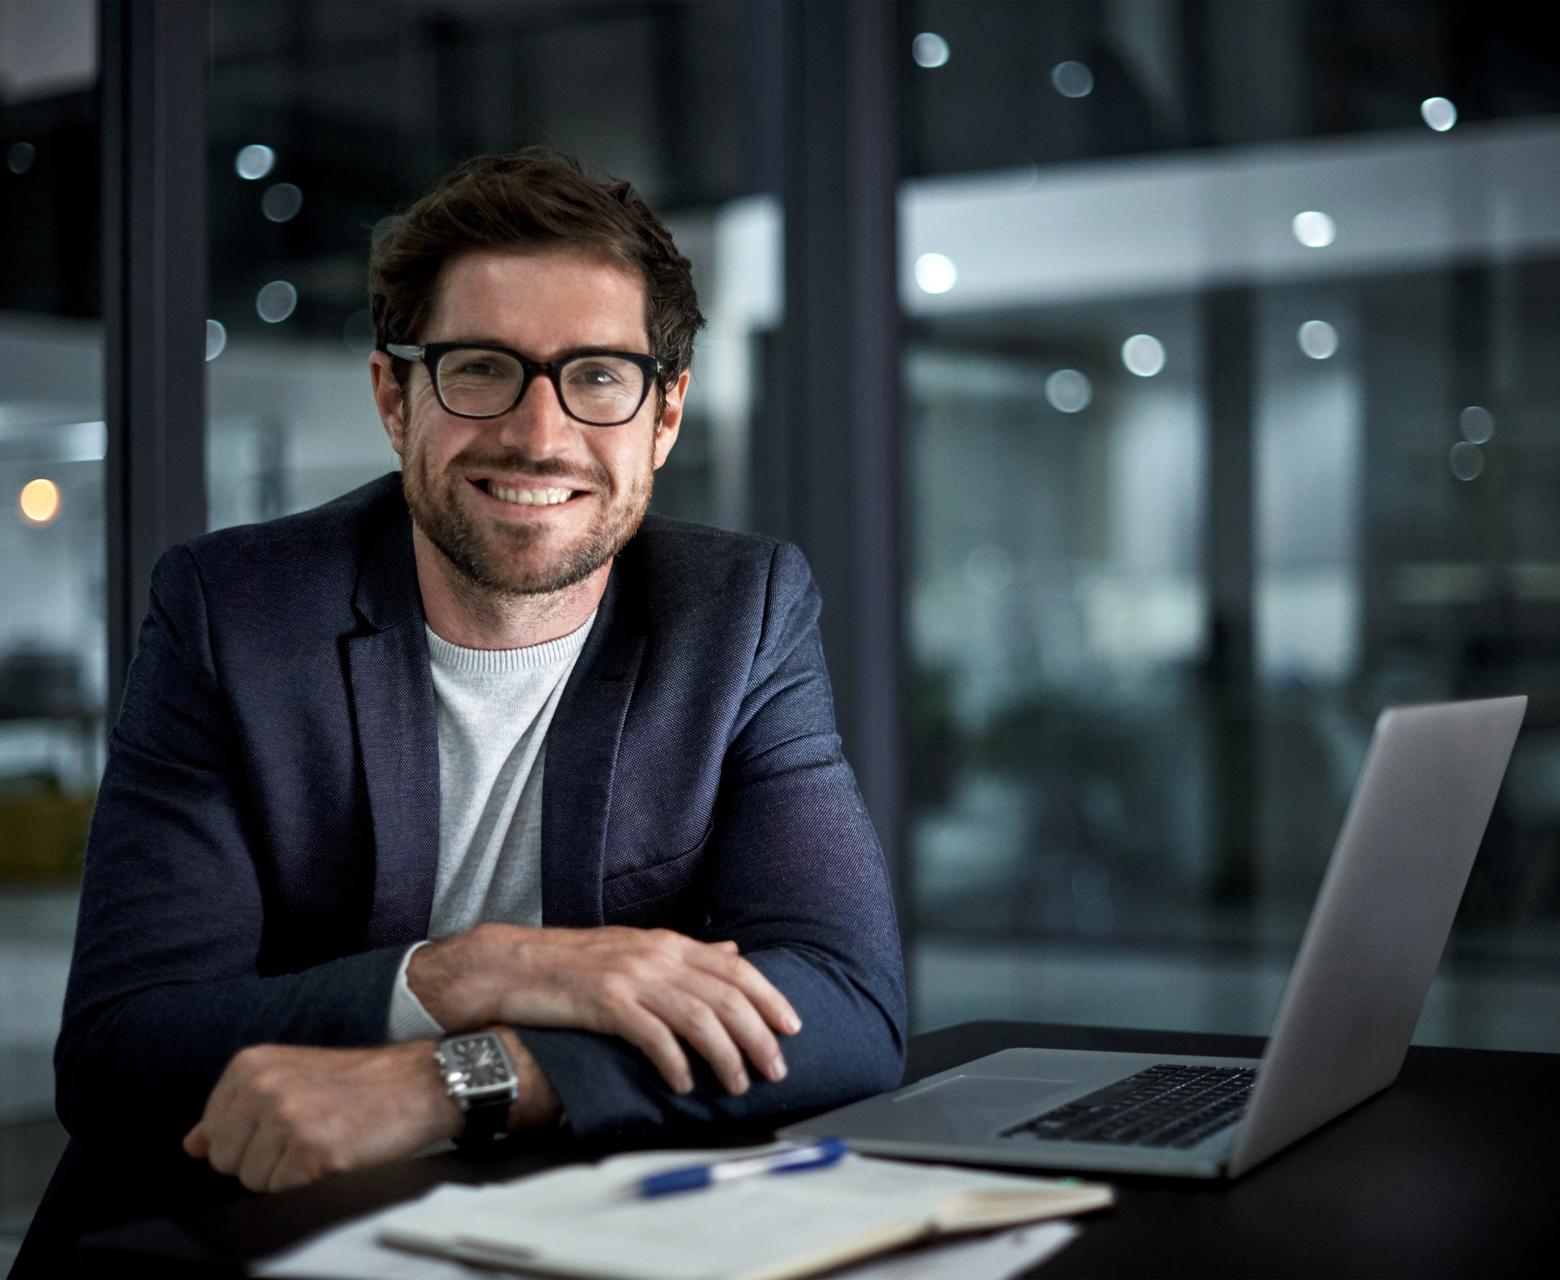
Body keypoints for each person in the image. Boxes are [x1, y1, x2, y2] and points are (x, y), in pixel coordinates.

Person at [18, 149, 904, 1270]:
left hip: (538, 1233)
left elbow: (845, 1004)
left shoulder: (739, 615)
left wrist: (459, 1080)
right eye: (483, 368)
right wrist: (474, 971)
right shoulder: (230, 614)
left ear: (665, 415)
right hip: (224, 1234)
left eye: (597, 376)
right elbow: (122, 1050)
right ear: (397, 397)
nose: (540, 434)